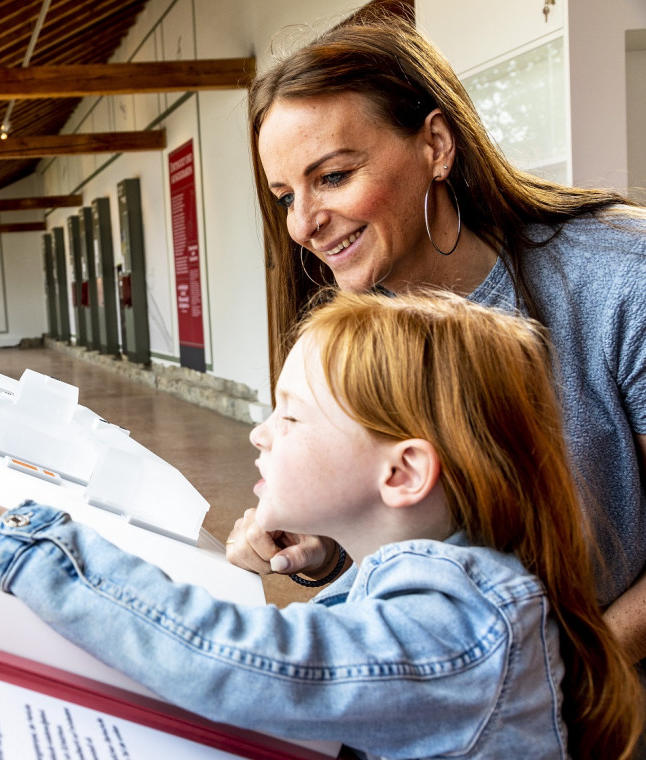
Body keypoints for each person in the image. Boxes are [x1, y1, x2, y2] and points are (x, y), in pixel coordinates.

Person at [0, 291, 642, 759]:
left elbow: (247, 664)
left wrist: (10, 535)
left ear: (401, 474)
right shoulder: (447, 583)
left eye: (291, 415)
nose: (259, 433)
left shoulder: (460, 625)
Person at [228, 10, 646, 667]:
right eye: (285, 196)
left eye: (332, 176)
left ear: (436, 146)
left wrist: (575, 678)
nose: (302, 224)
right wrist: (322, 544)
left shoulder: (621, 276)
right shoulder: (349, 330)